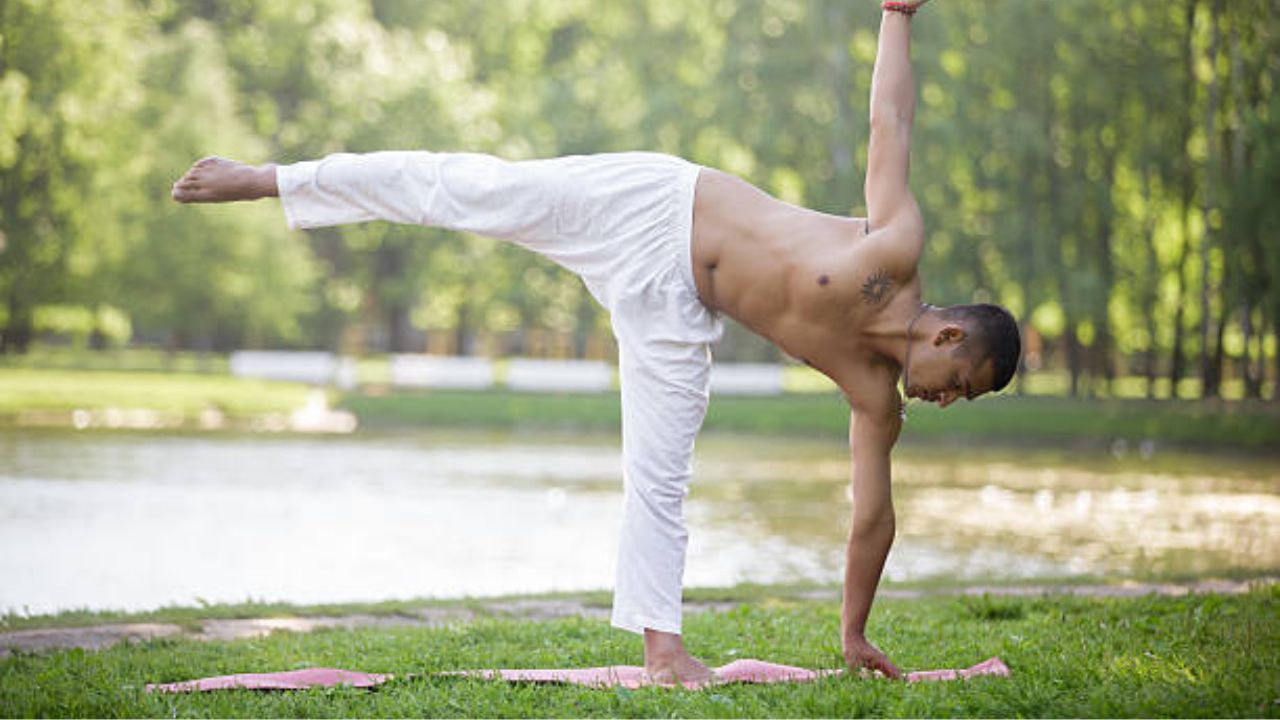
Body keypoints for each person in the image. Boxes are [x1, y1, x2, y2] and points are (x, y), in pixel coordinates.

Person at [171, 0, 1020, 685]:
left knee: (659, 470)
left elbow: (873, 516)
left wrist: (853, 632)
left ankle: (663, 650)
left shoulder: (875, 399)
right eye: (962, 379)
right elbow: (891, 127)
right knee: (473, 187)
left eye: (961, 397)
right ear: (948, 333)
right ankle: (272, 179)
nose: (948, 398)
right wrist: (898, 14)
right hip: (656, 206)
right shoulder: (893, 248)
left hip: (677, 310)